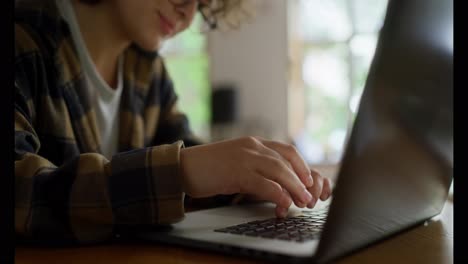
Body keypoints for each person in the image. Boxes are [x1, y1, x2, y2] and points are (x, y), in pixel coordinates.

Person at [14, 0, 332, 244]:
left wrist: (254, 181)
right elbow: (22, 193)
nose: (187, 12)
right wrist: (181, 170)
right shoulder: (23, 39)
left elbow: (188, 154)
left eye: (202, 2)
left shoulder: (146, 70)